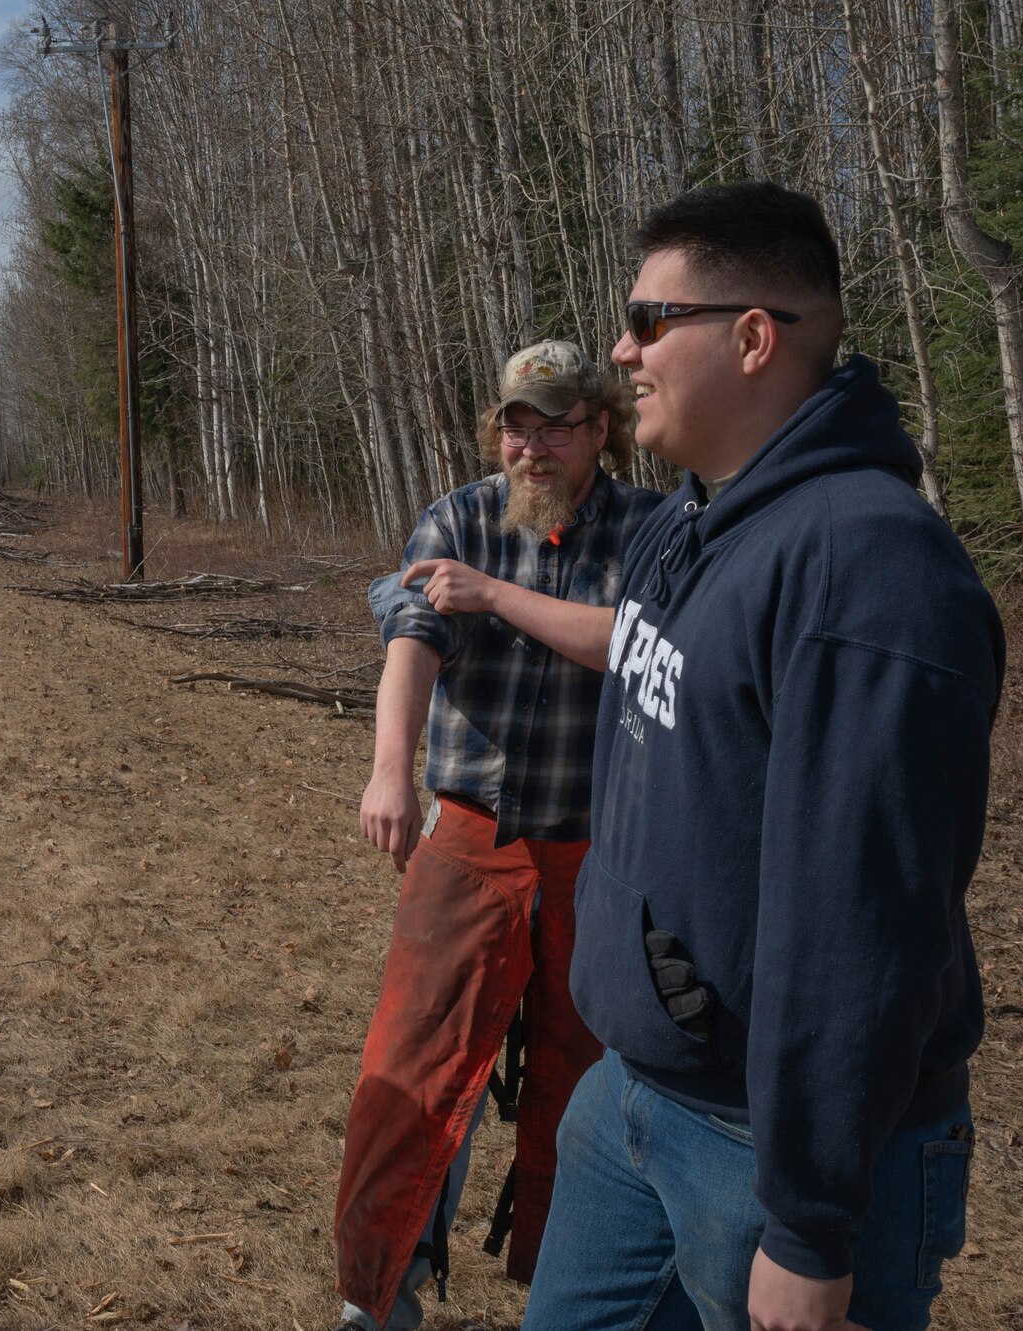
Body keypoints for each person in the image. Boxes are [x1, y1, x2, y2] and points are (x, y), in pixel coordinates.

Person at [522, 182, 1005, 1331]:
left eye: (647, 320)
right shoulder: (683, 524)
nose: (618, 349)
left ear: (750, 337)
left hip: (777, 1158)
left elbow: (858, 921)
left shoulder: (868, 573)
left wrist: (805, 1220)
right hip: (630, 1097)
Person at [333, 342, 666, 1331]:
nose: (532, 446)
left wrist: (494, 597)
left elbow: (631, 641)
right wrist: (390, 767)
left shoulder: (648, 528)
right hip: (469, 837)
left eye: (555, 425)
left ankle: (568, 1296)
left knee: (590, 1080)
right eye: (516, 426)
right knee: (416, 1070)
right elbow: (409, 628)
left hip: (601, 854)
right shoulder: (460, 515)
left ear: (598, 431)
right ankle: (377, 1293)